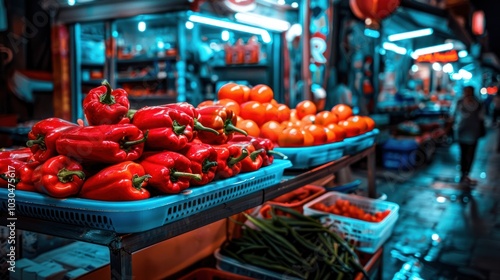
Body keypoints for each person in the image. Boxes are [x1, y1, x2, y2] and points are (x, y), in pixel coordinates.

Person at [450, 85, 485, 186]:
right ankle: (463, 172)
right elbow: (453, 115)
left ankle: (467, 173)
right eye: (466, 91)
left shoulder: (478, 103)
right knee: (463, 153)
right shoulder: (459, 102)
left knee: (471, 153)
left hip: (474, 131)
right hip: (462, 131)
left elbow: (482, 117)